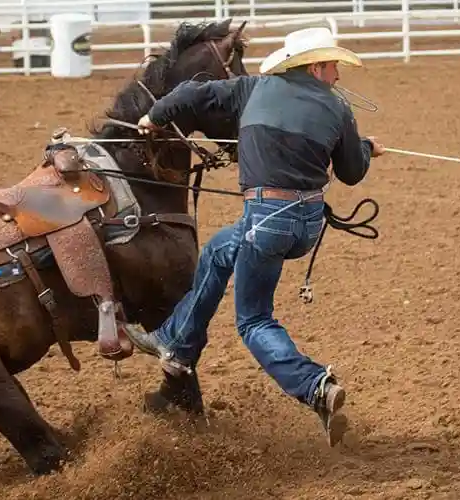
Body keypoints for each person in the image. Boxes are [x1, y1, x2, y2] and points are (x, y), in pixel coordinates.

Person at [124, 26, 385, 447]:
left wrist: (154, 117)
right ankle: (176, 345)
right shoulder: (339, 111)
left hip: (267, 221)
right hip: (306, 225)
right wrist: (365, 148)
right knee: (219, 249)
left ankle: (315, 385)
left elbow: (192, 94)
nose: (337, 75)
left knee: (254, 320)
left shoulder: (252, 89)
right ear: (315, 66)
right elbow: (352, 173)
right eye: (333, 66)